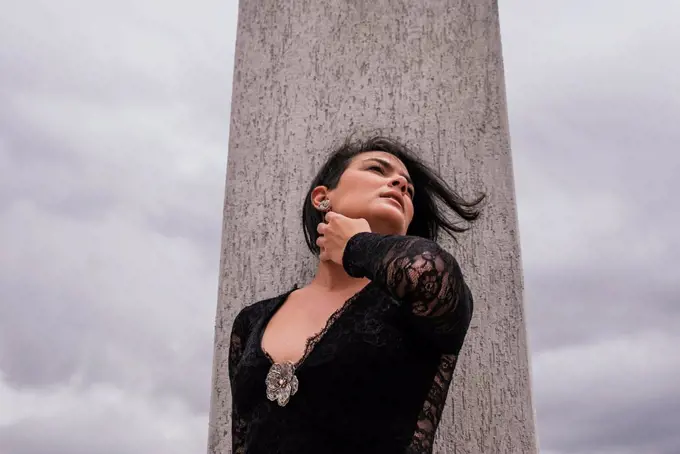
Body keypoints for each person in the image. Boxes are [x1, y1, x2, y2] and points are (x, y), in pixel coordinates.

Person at [228, 135, 485, 454]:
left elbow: (435, 273)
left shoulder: (410, 301)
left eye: (409, 188)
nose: (400, 185)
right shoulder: (250, 321)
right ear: (322, 197)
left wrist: (354, 245)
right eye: (377, 169)